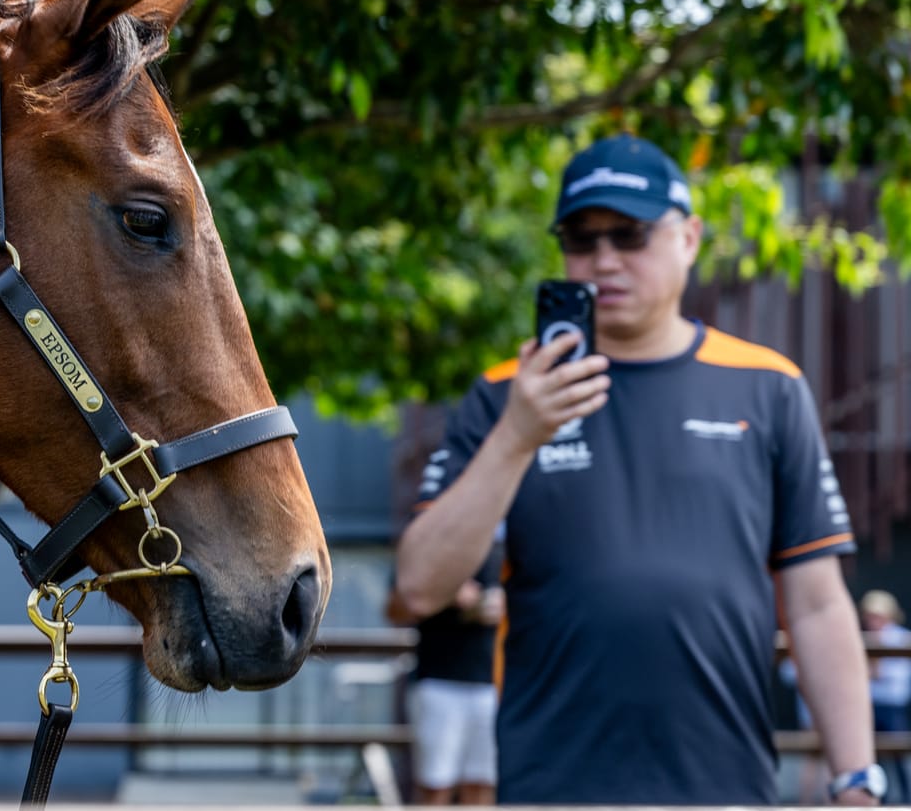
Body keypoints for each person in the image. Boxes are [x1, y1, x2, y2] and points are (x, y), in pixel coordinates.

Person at [395, 134, 882, 805]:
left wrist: (856, 776)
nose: (603, 260)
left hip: (725, 785)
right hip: (551, 786)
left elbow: (818, 601)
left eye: (631, 235)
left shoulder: (767, 386)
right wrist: (517, 435)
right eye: (581, 238)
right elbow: (421, 585)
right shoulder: (508, 394)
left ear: (689, 236)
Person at [386, 532, 504, 805]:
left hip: (493, 686)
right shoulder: (430, 542)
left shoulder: (508, 545)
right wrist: (446, 593)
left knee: (482, 788)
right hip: (438, 682)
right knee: (434, 788)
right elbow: (394, 608)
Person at [861, 591, 911, 799]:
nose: (873, 620)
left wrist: (874, 673)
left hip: (893, 707)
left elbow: (897, 677)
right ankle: (881, 799)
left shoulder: (902, 637)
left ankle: (907, 797)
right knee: (873, 759)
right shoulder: (863, 637)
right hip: (871, 706)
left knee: (899, 756)